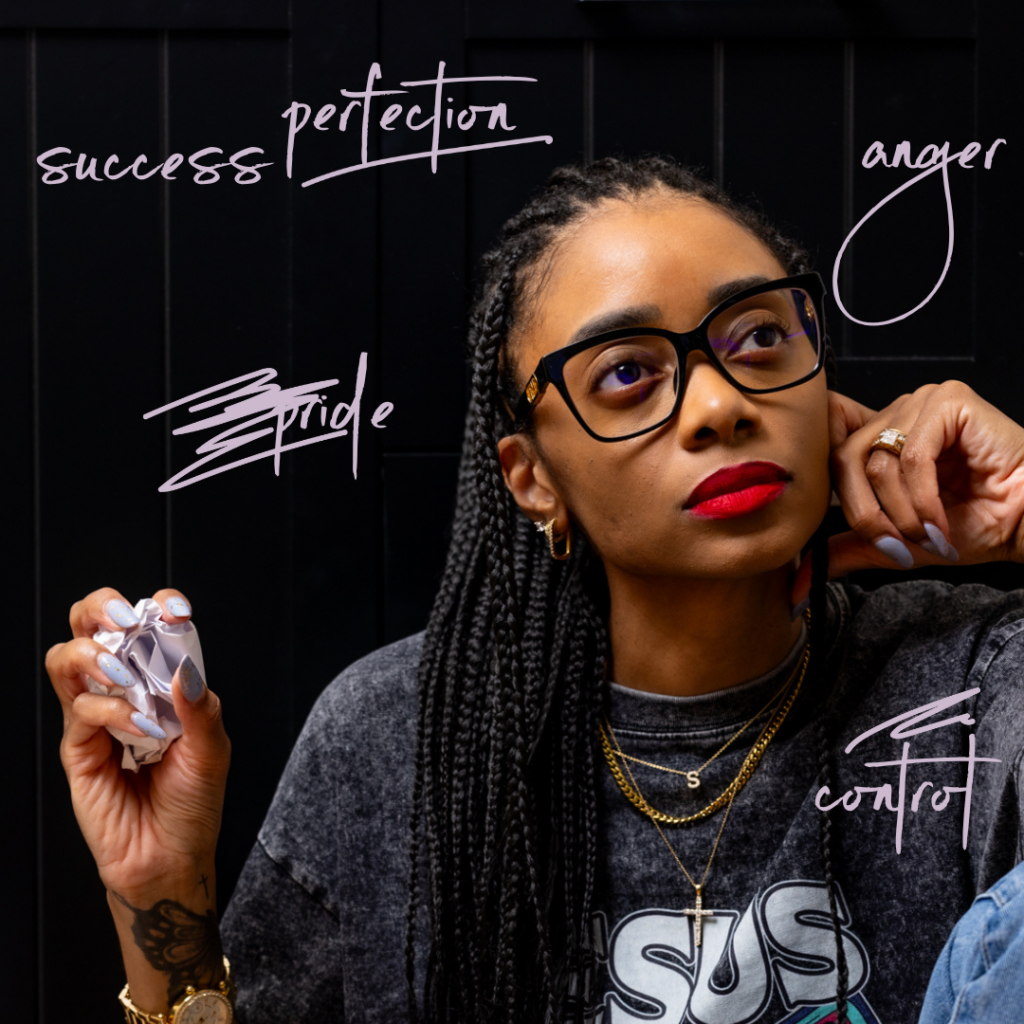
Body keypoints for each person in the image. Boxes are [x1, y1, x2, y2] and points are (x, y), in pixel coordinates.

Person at [46, 157, 1024, 1024]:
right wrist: (161, 889)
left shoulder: (970, 686)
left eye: (759, 338)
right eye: (629, 373)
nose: (721, 406)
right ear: (532, 478)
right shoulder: (396, 738)